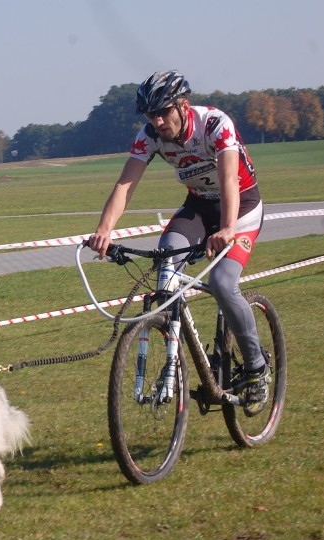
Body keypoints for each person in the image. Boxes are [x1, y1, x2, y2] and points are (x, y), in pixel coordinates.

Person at [87, 70, 269, 416]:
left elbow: (229, 177)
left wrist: (228, 227)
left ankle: (257, 367)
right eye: (150, 115)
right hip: (199, 206)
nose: (157, 121)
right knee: (165, 259)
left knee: (222, 282)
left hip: (241, 206)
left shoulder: (214, 123)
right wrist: (104, 229)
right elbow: (125, 184)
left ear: (182, 106)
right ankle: (175, 358)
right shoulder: (150, 135)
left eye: (163, 112)